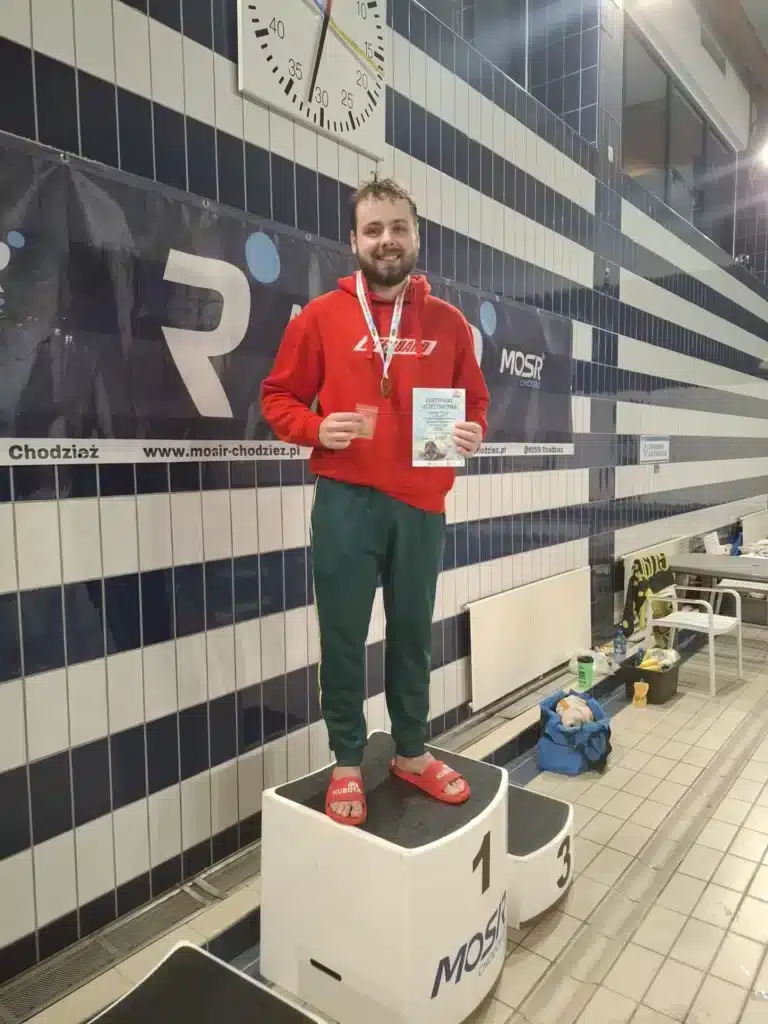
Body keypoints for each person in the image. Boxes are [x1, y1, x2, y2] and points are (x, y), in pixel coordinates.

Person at [261, 177, 489, 826]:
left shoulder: (448, 324)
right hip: (346, 502)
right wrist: (313, 427)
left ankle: (412, 752)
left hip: (421, 504)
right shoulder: (320, 317)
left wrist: (473, 430)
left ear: (416, 236)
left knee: (413, 635)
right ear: (354, 240)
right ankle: (346, 761)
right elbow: (277, 397)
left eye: (397, 227)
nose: (386, 240)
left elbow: (474, 401)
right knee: (343, 636)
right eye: (373, 229)